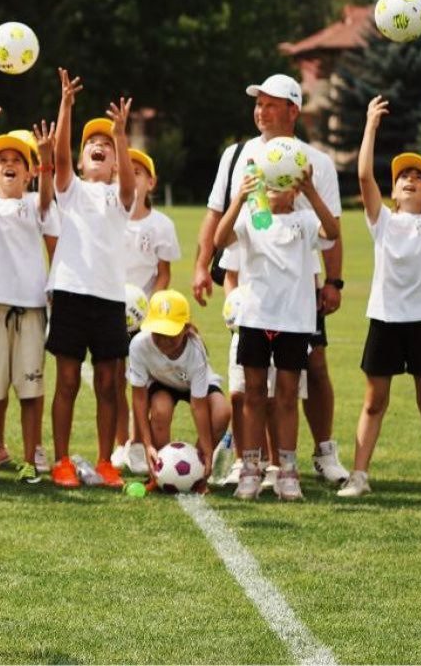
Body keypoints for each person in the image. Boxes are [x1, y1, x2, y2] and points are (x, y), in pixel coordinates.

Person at [191, 74, 350, 486]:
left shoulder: (318, 163)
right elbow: (215, 213)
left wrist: (333, 281)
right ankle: (252, 462)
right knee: (248, 381)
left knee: (312, 367)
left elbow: (332, 227)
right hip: (248, 282)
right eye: (258, 103)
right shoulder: (237, 155)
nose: (260, 111)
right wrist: (202, 265)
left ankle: (323, 452)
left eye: (270, 104)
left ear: (293, 110)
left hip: (298, 283)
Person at [338, 97, 421, 498]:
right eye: (403, 176)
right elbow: (363, 176)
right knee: (374, 403)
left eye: (418, 178)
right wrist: (370, 125)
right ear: (393, 191)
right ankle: (359, 475)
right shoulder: (383, 222)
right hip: (385, 319)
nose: (410, 179)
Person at [214, 153, 339, 500]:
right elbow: (220, 240)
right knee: (254, 394)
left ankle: (287, 470)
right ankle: (250, 469)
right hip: (255, 319)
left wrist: (312, 193)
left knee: (286, 396)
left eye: (282, 182)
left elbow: (332, 232)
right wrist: (239, 198)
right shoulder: (252, 219)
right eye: (269, 182)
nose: (273, 188)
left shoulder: (305, 219)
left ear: (293, 189)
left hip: (294, 322)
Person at [44, 68, 137, 489]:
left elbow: (130, 186)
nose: (98, 147)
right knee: (66, 381)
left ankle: (105, 461)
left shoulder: (120, 195)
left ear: (116, 161)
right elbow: (60, 158)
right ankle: (62, 461)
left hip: (109, 298)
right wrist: (66, 105)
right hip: (70, 292)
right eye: (91, 144)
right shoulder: (73, 189)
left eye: (106, 145)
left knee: (108, 383)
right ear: (82, 161)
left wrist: (121, 135)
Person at [0, 95, 55, 484]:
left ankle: (30, 460)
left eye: (17, 160)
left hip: (30, 310)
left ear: (29, 172)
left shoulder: (35, 204)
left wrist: (46, 159)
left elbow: (48, 196)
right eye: (1, 160)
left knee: (30, 389)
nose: (9, 164)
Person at [112, 147, 181, 475]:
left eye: (137, 172)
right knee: (113, 379)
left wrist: (150, 307)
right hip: (111, 309)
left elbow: (164, 273)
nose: (128, 177)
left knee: (141, 382)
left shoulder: (161, 224)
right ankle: (119, 443)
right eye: (121, 172)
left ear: (151, 182)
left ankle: (139, 443)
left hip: (147, 317)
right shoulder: (110, 219)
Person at [127, 290, 228, 487]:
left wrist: (207, 450)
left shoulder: (195, 350)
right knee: (160, 409)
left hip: (194, 385)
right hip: (162, 383)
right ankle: (162, 471)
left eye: (171, 334)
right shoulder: (139, 345)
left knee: (221, 412)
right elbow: (139, 398)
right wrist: (147, 445)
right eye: (158, 333)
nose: (164, 340)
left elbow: (198, 406)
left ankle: (198, 471)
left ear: (186, 329)